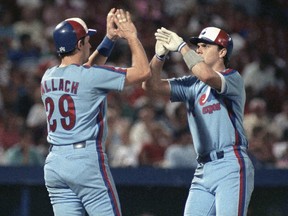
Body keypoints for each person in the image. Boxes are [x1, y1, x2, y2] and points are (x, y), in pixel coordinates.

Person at [41, 8, 150, 216]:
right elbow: (143, 72)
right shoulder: (89, 76)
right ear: (79, 44)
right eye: (87, 40)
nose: (90, 43)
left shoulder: (47, 76)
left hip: (55, 163)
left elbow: (87, 71)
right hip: (85, 160)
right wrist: (132, 37)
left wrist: (109, 39)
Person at [143, 26, 254, 215]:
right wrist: (159, 57)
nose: (198, 49)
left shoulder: (232, 77)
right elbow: (150, 86)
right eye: (197, 46)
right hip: (203, 168)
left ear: (222, 51)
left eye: (204, 46)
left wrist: (182, 47)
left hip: (230, 163)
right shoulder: (192, 85)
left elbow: (208, 75)